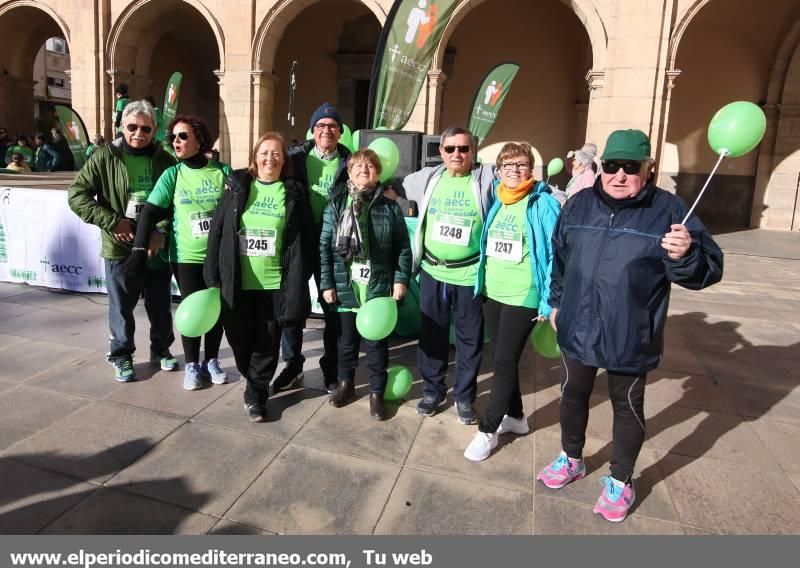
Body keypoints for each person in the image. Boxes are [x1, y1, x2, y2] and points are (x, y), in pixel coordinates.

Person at [537, 129, 724, 522]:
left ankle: (620, 479)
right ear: (600, 166)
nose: (619, 175)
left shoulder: (671, 210)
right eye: (611, 166)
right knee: (572, 395)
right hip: (576, 327)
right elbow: (560, 260)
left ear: (648, 168)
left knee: (627, 407)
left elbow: (708, 270)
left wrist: (686, 255)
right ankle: (571, 457)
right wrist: (555, 304)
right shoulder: (579, 204)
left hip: (630, 333)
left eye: (630, 167)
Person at [204, 132, 314, 422]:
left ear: (284, 160)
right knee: (239, 340)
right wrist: (212, 274)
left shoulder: (294, 194)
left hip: (275, 284)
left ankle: (256, 393)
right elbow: (217, 230)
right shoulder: (238, 187)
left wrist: (303, 278)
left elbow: (307, 241)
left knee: (267, 342)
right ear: (255, 157)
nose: (270, 158)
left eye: (276, 153)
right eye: (264, 152)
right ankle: (252, 377)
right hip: (238, 283)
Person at [68, 99, 178, 382]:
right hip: (119, 244)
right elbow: (77, 195)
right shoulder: (105, 156)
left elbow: (175, 202)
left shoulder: (165, 159)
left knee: (160, 304)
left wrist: (161, 231)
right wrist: (111, 220)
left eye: (145, 128)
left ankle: (161, 349)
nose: (138, 133)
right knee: (121, 306)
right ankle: (121, 355)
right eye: (132, 127)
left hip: (154, 246)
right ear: (121, 127)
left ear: (154, 130)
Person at [464, 142, 560, 461]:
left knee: (504, 361)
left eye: (520, 165)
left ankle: (487, 430)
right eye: (508, 165)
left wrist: (549, 301)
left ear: (530, 169)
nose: (514, 171)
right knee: (505, 358)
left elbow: (556, 255)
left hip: (524, 295)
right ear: (499, 170)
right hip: (494, 292)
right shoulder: (499, 200)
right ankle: (517, 418)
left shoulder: (542, 203)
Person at [122, 115, 232, 390]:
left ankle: (212, 360)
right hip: (186, 257)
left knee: (216, 311)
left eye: (182, 136)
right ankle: (193, 365)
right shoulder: (173, 174)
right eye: (172, 137)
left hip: (218, 257)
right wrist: (138, 249)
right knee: (193, 311)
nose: (176, 142)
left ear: (200, 139)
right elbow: (149, 212)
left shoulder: (222, 171)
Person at [399, 125, 495, 425]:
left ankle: (464, 397)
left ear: (473, 151)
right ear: (441, 151)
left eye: (464, 149)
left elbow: (527, 180)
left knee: (469, 342)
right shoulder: (428, 177)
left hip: (467, 277)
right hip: (432, 272)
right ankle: (432, 391)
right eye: (450, 148)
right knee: (432, 336)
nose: (457, 154)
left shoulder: (486, 178)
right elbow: (388, 182)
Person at [319, 149, 412, 420]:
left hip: (377, 286)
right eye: (357, 166)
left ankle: (376, 393)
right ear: (348, 172)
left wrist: (400, 279)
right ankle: (346, 385)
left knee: (376, 344)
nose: (363, 170)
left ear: (378, 173)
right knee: (346, 342)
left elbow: (403, 248)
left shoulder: (389, 207)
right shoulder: (335, 204)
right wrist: (327, 284)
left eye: (370, 166)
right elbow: (325, 247)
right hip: (347, 285)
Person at [272, 103, 352, 395]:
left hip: (332, 245)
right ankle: (292, 365)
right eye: (321, 126)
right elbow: (264, 173)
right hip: (298, 242)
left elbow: (373, 181)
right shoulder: (295, 158)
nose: (326, 131)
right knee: (292, 306)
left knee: (332, 307)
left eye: (332, 126)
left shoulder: (350, 160)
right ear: (313, 130)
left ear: (340, 132)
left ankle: (330, 369)